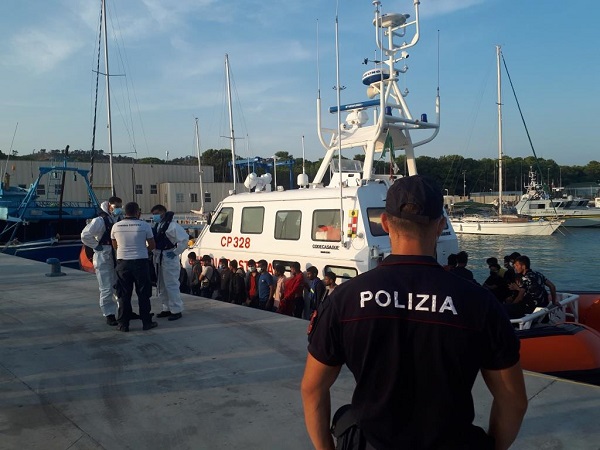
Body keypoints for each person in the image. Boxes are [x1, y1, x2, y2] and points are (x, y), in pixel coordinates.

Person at [301, 175, 527, 450]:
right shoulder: (478, 303)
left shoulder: (346, 300)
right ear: (441, 224)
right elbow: (513, 400)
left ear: (385, 223)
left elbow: (312, 389)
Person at [110, 202, 157, 332]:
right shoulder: (144, 225)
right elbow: (152, 245)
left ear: (125, 212)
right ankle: (146, 322)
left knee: (123, 294)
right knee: (143, 293)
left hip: (123, 263)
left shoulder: (116, 226)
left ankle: (123, 324)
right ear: (138, 212)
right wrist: (144, 250)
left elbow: (115, 245)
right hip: (141, 262)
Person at [80, 196, 123, 326]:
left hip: (117, 254)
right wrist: (96, 246)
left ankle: (123, 310)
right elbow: (85, 235)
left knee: (120, 285)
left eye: (120, 207)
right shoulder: (99, 220)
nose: (119, 210)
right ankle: (109, 314)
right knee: (106, 287)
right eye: (116, 207)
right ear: (109, 206)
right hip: (104, 255)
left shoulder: (117, 219)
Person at [151, 204, 189, 321]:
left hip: (168, 256)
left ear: (163, 212)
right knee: (161, 284)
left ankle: (176, 309)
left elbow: (184, 240)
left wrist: (176, 252)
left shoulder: (172, 226)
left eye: (156, 214)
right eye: (153, 214)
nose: (155, 216)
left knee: (171, 284)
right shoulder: (157, 225)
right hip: (158, 256)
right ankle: (166, 307)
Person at [505, 255, 558, 319]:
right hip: (542, 306)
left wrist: (511, 305)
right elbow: (552, 286)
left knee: (504, 308)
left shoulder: (524, 278)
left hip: (529, 308)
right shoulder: (538, 274)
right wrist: (554, 302)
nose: (515, 268)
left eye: (517, 265)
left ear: (523, 266)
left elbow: (520, 297)